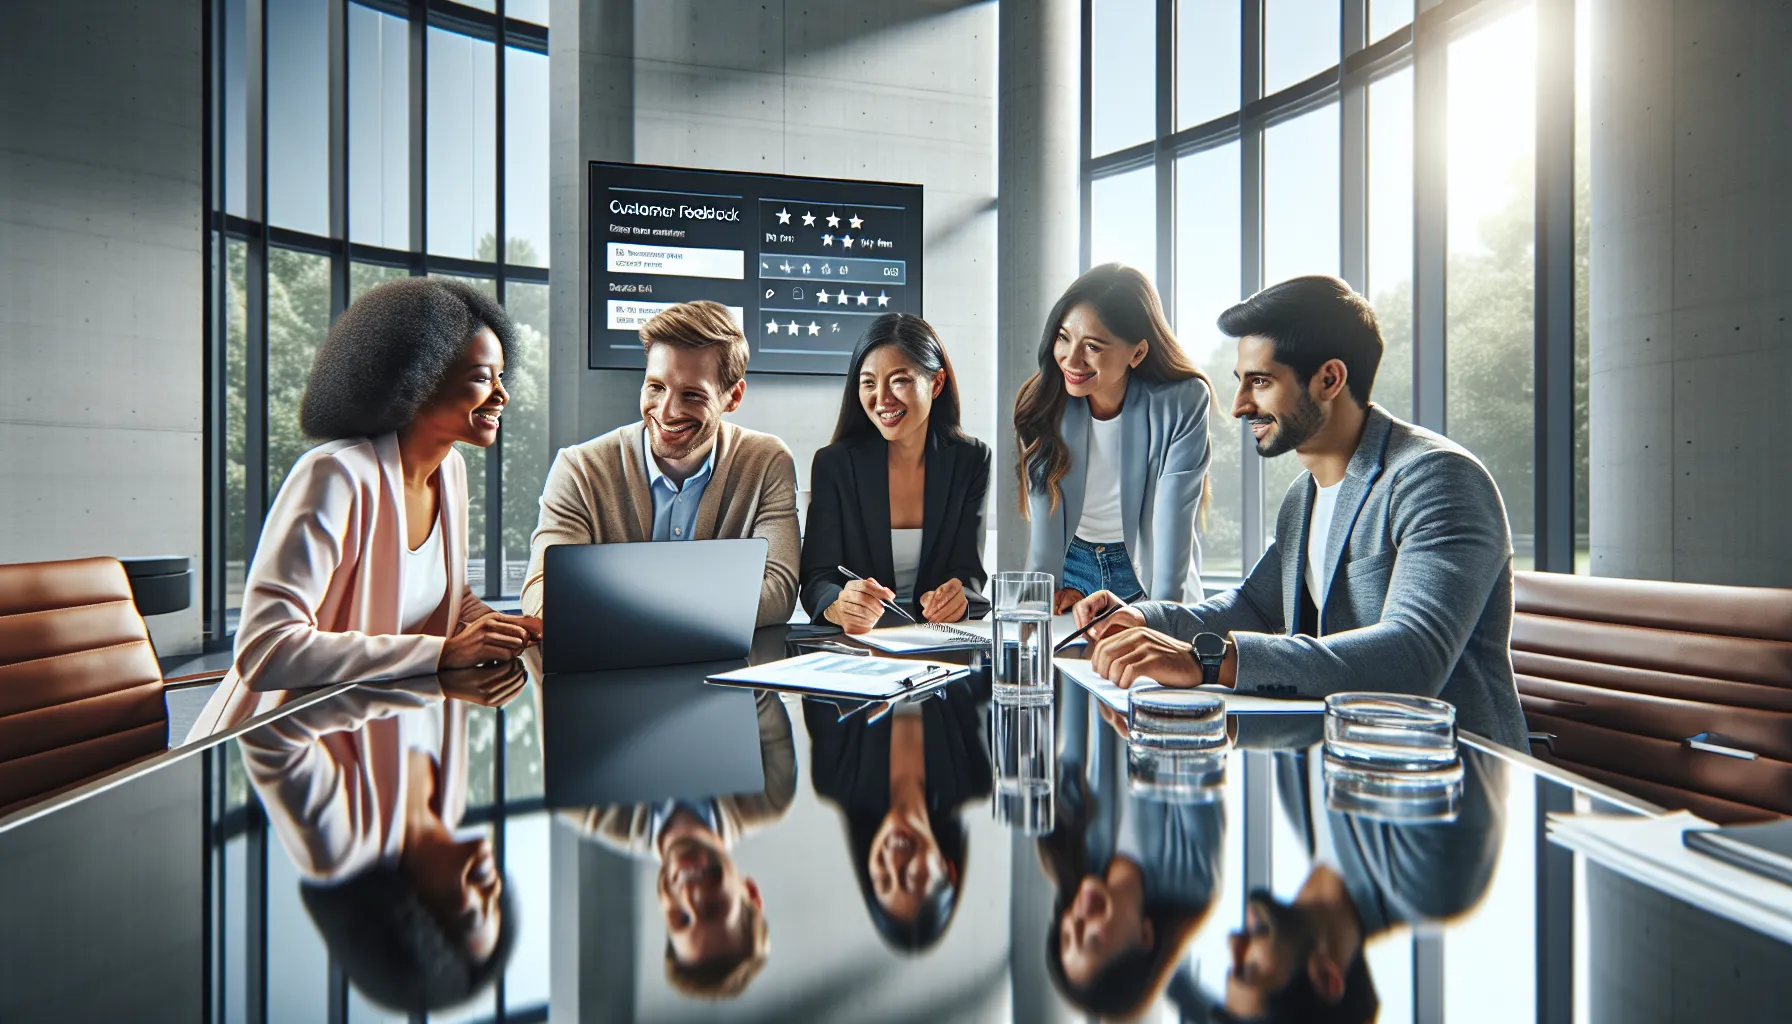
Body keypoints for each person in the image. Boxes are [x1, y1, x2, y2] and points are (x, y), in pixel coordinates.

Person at [1077, 275, 1529, 751]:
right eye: (1241, 383)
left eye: (1261, 382)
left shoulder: (1437, 478)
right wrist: (1145, 620)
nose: (1238, 406)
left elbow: (1412, 656)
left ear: (1329, 379)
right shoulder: (1304, 495)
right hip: (1348, 765)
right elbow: (1253, 607)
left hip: (1452, 774)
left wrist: (1207, 662)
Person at [190, 278, 542, 738]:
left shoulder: (450, 470)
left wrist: (493, 624)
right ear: (415, 378)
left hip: (383, 732)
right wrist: (441, 654)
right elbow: (266, 648)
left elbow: (440, 595)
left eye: (499, 376)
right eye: (481, 377)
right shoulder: (334, 476)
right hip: (287, 746)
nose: (502, 394)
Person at [237, 671, 523, 1012]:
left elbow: (269, 731)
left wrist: (421, 674)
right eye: (497, 905)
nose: (491, 889)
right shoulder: (451, 803)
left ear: (418, 922)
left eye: (475, 914)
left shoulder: (340, 847)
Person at [521, 300, 800, 626]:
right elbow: (541, 592)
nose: (666, 412)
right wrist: (707, 607)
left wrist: (621, 609)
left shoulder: (767, 461)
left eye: (693, 395)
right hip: (609, 669)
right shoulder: (579, 468)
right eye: (656, 387)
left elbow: (778, 592)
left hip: (721, 668)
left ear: (733, 397)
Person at [1216, 745, 1507, 1022]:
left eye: (1231, 966)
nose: (1234, 944)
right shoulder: (1434, 883)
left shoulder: (1296, 806)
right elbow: (1405, 701)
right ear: (1324, 978)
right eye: (1250, 969)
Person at [557, 686, 796, 999]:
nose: (690, 894)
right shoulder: (768, 795)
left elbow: (545, 667)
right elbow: (757, 677)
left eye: (681, 919)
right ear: (750, 893)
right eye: (713, 908)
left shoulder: (585, 807)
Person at [1014, 263, 1216, 615]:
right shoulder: (1044, 400)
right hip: (1072, 569)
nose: (1071, 359)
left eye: (1092, 346)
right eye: (1064, 337)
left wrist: (1162, 619)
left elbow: (1172, 525)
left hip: (1142, 570)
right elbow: (1044, 536)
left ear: (1137, 353)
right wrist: (1039, 604)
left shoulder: (1183, 401)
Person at [801, 313, 992, 632]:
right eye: (869, 383)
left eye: (900, 380)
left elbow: (968, 572)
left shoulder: (971, 459)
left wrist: (958, 599)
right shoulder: (833, 464)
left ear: (937, 383)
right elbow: (819, 578)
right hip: (860, 646)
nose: (882, 400)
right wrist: (840, 606)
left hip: (938, 644)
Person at [804, 680, 993, 952]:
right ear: (946, 869)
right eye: (912, 878)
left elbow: (815, 674)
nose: (894, 862)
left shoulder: (836, 780)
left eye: (883, 880)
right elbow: (981, 674)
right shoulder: (974, 779)